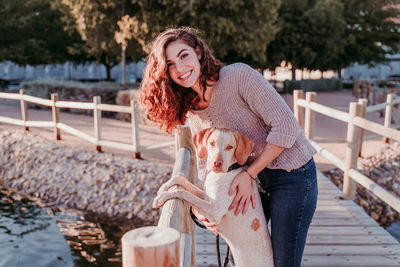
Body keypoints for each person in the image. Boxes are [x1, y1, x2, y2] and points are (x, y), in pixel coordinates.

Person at [139, 27, 318, 267]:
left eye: (184, 56)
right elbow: (206, 164)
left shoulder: (238, 77)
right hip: (251, 181)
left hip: (292, 174)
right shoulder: (192, 108)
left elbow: (287, 127)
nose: (180, 69)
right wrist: (198, 212)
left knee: (283, 262)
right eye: (170, 64)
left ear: (199, 52)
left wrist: (249, 173)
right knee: (243, 257)